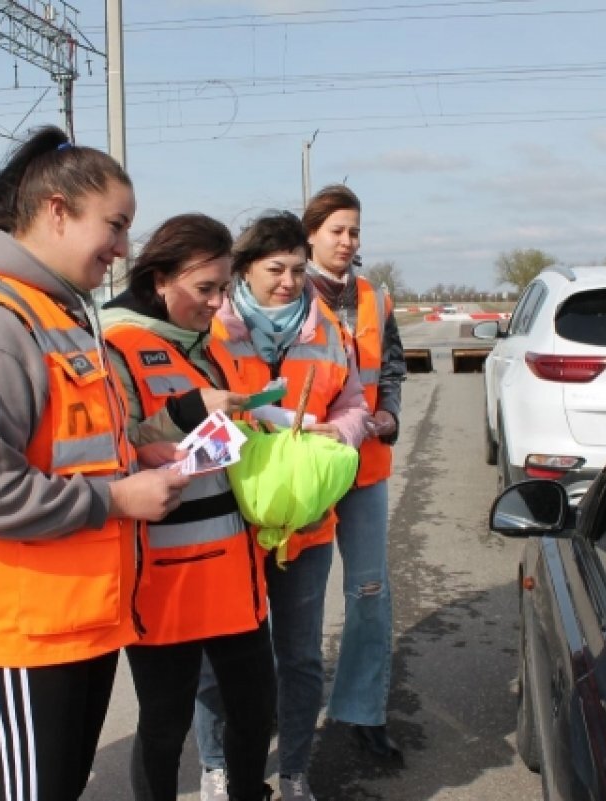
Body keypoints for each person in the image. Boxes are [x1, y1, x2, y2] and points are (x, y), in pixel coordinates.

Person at [0, 126, 191, 801]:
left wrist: (132, 456)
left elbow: (65, 447)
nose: (124, 247)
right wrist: (120, 501)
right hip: (23, 629)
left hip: (74, 619)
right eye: (116, 225)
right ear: (57, 210)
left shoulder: (55, 314)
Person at [99, 213, 276, 801]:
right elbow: (109, 452)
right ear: (158, 281)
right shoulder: (115, 347)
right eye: (206, 289)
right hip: (165, 582)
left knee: (255, 712)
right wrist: (183, 414)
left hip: (236, 570)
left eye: (225, 287)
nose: (218, 302)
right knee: (165, 727)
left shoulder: (207, 345)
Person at [194, 210, 370, 801]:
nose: (290, 281)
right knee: (218, 656)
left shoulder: (328, 330)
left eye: (298, 269)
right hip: (229, 524)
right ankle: (216, 765)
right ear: (244, 269)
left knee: (298, 657)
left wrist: (338, 435)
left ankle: (294, 771)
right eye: (276, 269)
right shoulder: (209, 332)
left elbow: (355, 405)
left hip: (306, 526)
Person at [303, 184, 407, 760]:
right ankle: (289, 705)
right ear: (311, 233)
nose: (346, 241)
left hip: (366, 467)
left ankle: (362, 710)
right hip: (307, 471)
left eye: (354, 231)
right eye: (337, 230)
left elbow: (390, 367)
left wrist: (388, 410)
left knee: (369, 590)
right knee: (301, 597)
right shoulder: (287, 294)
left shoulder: (375, 295)